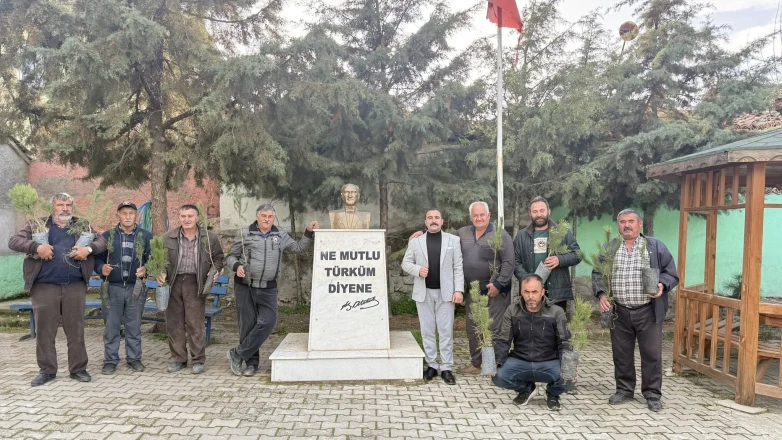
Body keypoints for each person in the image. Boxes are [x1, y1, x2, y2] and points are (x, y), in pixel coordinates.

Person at [8, 192, 107, 386]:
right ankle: (47, 371)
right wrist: (36, 247)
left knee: (76, 329)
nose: (65, 208)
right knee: (45, 330)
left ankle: (78, 369)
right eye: (61, 204)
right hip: (44, 286)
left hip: (75, 286)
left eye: (68, 205)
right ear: (53, 206)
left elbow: (101, 242)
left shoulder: (82, 225)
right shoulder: (38, 224)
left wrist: (87, 250)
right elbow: (14, 241)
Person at [410, 201, 514, 374]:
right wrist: (422, 234)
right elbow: (440, 237)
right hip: (473, 290)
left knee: (495, 328)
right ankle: (477, 363)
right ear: (470, 217)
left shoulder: (500, 235)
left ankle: (496, 364)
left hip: (496, 291)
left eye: (482, 215)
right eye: (475, 215)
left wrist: (499, 283)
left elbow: (509, 262)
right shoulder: (462, 233)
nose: (479, 218)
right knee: (473, 328)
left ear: (489, 216)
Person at [592, 208, 678, 412]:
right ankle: (624, 389)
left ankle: (652, 394)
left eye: (631, 221)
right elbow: (597, 273)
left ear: (640, 224)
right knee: (621, 353)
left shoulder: (655, 247)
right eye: (622, 222)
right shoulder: (610, 247)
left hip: (648, 311)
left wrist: (661, 285)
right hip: (619, 311)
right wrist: (602, 295)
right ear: (618, 224)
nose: (627, 225)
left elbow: (671, 273)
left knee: (652, 355)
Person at [226, 204, 319, 377]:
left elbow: (298, 248)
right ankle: (252, 364)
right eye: (263, 216)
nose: (267, 219)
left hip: (269, 287)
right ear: (257, 216)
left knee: (268, 322)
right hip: (245, 286)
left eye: (270, 216)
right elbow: (231, 256)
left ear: (273, 218)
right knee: (248, 326)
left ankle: (237, 354)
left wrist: (308, 232)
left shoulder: (280, 234)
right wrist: (237, 266)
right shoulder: (245, 233)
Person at [156, 204, 225, 374]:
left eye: (190, 216)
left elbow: (219, 258)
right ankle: (179, 358)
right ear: (179, 218)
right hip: (173, 282)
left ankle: (198, 360)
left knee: (195, 323)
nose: (186, 219)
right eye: (183, 216)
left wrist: (214, 271)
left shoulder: (209, 238)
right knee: (174, 323)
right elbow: (159, 260)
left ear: (197, 218)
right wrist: (160, 271)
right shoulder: (168, 237)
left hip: (195, 282)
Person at [401, 209, 464, 384]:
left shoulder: (453, 240)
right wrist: (418, 270)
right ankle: (432, 365)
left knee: (445, 331)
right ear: (425, 221)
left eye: (436, 218)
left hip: (446, 294)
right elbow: (405, 263)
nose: (433, 220)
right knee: (427, 331)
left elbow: (458, 267)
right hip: (424, 293)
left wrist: (458, 290)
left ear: (442, 221)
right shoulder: (416, 242)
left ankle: (446, 367)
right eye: (430, 218)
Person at [492, 274, 571, 411]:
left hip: (549, 361)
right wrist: (497, 360)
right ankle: (527, 389)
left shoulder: (556, 312)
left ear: (542, 292)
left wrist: (570, 365)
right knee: (498, 376)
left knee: (569, 378)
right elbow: (504, 339)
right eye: (527, 292)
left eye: (534, 292)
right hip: (520, 360)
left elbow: (564, 341)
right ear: (521, 292)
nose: (530, 296)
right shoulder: (512, 310)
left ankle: (552, 393)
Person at [94, 201, 152, 375]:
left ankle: (134, 359)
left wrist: (146, 269)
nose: (128, 216)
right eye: (124, 213)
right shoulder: (107, 236)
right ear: (117, 215)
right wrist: (101, 268)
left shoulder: (145, 236)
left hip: (136, 287)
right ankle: (110, 360)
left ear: (136, 216)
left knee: (133, 326)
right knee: (111, 326)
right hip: (113, 287)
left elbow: (153, 258)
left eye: (131, 213)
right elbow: (97, 259)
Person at [513, 196, 581, 314]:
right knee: (531, 328)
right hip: (530, 294)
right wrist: (527, 280)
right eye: (535, 211)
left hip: (556, 293)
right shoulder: (521, 236)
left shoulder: (562, 232)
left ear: (548, 211)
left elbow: (577, 255)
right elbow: (515, 262)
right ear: (530, 213)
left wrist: (560, 260)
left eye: (542, 210)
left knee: (556, 328)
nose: (539, 214)